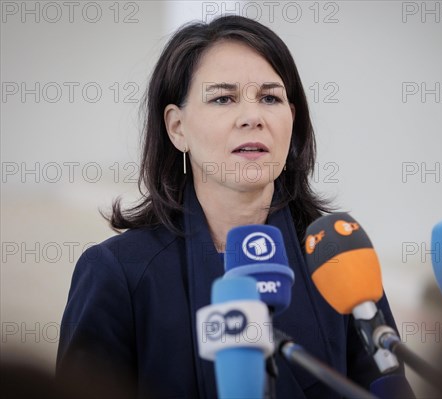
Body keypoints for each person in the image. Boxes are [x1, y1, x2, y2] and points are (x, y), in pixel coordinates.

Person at [56, 15, 413, 398]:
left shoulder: (335, 256)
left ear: (292, 119)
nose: (252, 117)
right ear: (177, 128)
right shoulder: (118, 273)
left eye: (270, 98)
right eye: (223, 98)